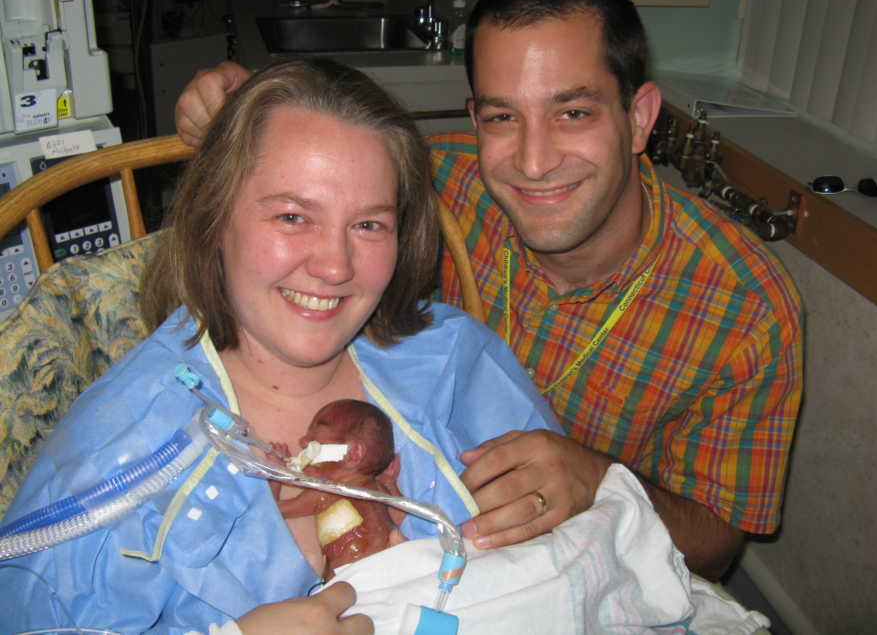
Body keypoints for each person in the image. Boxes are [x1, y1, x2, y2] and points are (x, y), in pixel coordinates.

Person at [173, 0, 803, 582]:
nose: (533, 162)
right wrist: (238, 103)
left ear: (638, 117)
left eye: (573, 113)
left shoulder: (744, 306)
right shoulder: (427, 192)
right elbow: (317, 162)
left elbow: (717, 547)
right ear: (475, 120)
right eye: (504, 117)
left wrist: (600, 481)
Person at [0, 58, 559, 634]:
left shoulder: (457, 365)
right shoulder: (119, 454)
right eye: (293, 216)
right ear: (215, 217)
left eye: (369, 225)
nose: (335, 265)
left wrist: (593, 488)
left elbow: (593, 561)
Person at [272, 399, 396, 576]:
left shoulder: (326, 494)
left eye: (315, 442)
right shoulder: (377, 489)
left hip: (351, 579)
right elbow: (401, 517)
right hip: (387, 571)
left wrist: (274, 477)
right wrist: (391, 483)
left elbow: (274, 510)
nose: (303, 441)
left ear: (353, 453)